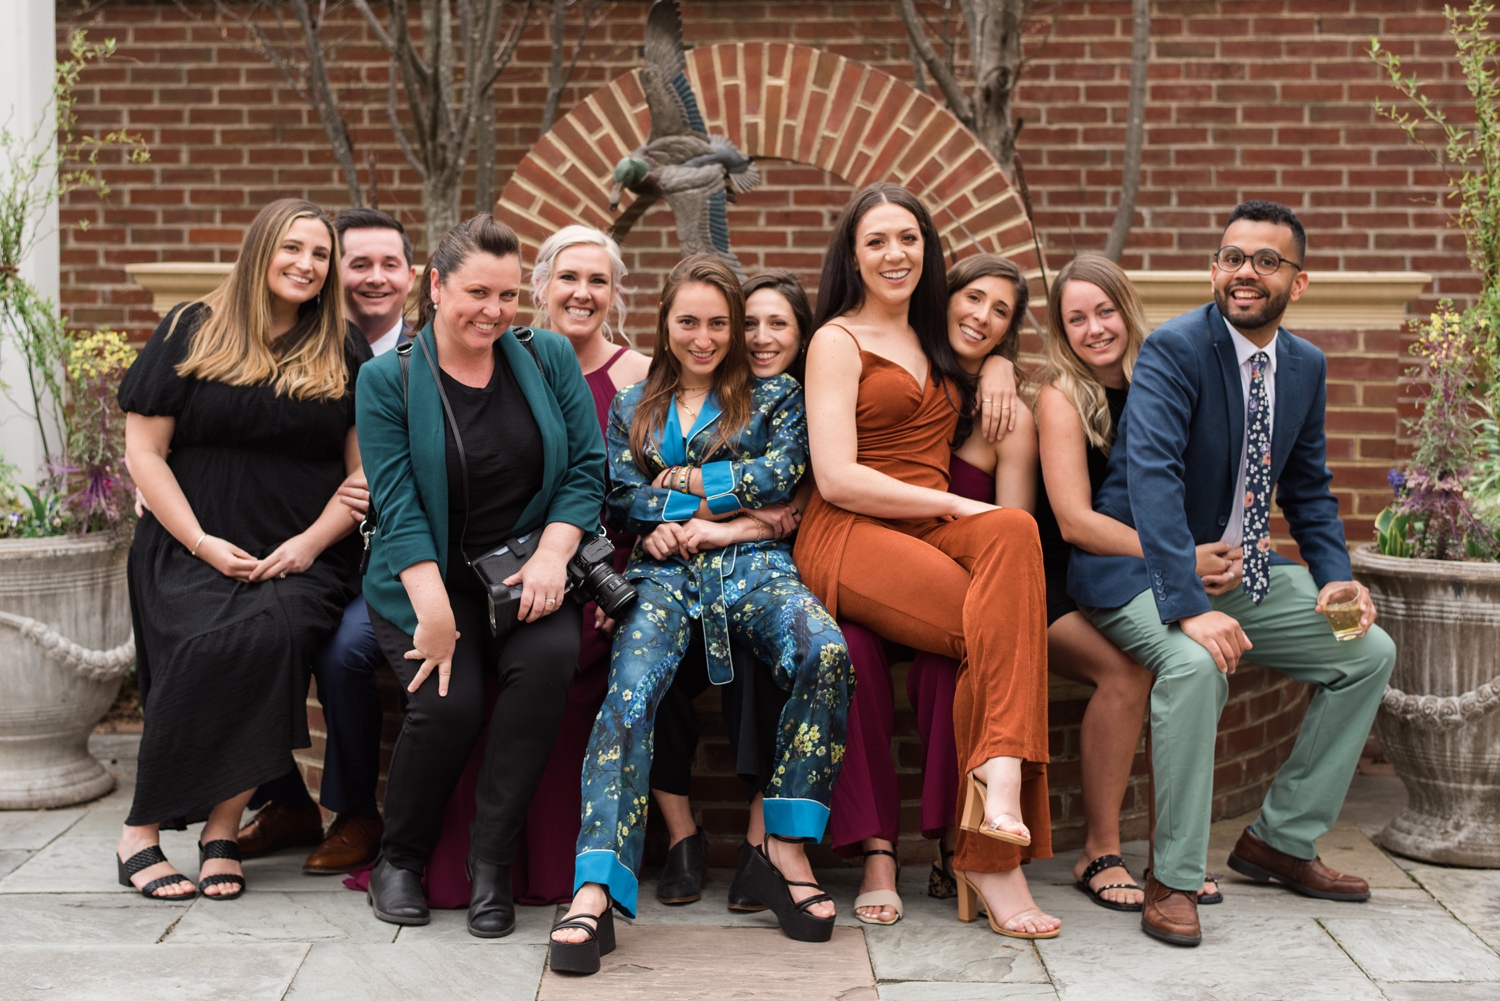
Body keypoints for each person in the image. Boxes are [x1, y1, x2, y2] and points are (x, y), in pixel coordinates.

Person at [1071, 200, 1398, 947]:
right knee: (1193, 664)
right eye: (1231, 257)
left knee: (1366, 650)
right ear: (1214, 269)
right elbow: (1151, 478)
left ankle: (1281, 838)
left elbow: (1309, 486)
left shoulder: (1306, 364)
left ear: (1299, 282)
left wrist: (1334, 576)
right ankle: (1175, 876)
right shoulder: (1175, 349)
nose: (1244, 271)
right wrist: (1185, 605)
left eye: (1265, 260)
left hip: (1243, 568)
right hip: (1142, 576)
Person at [550, 255, 851, 974]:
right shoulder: (633, 405)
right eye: (689, 321)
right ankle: (595, 888)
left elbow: (782, 473)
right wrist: (719, 504)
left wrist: (681, 483)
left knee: (826, 654)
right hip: (661, 575)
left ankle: (785, 846)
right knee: (626, 697)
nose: (705, 337)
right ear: (665, 323)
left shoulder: (776, 395)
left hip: (757, 573)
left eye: (719, 322)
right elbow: (620, 496)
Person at [795, 182, 1059, 939]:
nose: (894, 252)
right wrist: (957, 506)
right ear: (852, 253)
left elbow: (989, 341)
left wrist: (1003, 363)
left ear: (926, 249)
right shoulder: (836, 341)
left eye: (908, 238)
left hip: (922, 535)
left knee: (1015, 535)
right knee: (996, 622)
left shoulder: (937, 337)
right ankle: (990, 853)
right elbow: (838, 475)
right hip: (846, 531)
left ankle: (997, 774)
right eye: (876, 239)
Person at [357, 213, 607, 938]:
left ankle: (490, 863)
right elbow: (397, 502)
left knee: (550, 659)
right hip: (424, 575)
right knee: (448, 699)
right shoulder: (388, 378)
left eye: (506, 296)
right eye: (476, 293)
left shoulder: (549, 357)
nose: (493, 312)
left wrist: (554, 557)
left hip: (528, 564)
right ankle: (398, 858)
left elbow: (586, 470)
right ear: (435, 286)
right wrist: (434, 613)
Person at [115, 197, 367, 902]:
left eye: (320, 255)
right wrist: (199, 540)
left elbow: (362, 472)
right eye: (293, 248)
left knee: (274, 631)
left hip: (298, 555)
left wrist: (307, 545)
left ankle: (221, 828)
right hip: (186, 543)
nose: (306, 265)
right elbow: (145, 452)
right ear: (260, 250)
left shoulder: (342, 347)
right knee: (203, 640)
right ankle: (141, 829)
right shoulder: (190, 329)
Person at [239, 206, 418, 876]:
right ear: (333, 273)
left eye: (388, 264)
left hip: (395, 563)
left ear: (412, 275)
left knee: (341, 649)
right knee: (250, 626)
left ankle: (354, 811)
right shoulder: (293, 346)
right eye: (357, 263)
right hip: (309, 548)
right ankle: (285, 798)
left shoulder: (432, 355)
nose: (373, 277)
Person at [645, 269, 812, 909]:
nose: (762, 338)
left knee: (763, 670)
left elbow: (783, 482)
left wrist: (698, 496)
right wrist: (718, 517)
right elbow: (633, 489)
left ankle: (757, 839)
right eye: (751, 324)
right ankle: (683, 837)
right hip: (679, 570)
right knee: (655, 671)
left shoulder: (790, 397)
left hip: (766, 573)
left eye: (780, 325)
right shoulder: (671, 397)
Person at [515, 224, 650, 904]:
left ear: (615, 293)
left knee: (581, 665)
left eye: (598, 280)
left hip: (613, 571)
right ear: (540, 286)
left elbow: (653, 490)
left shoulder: (640, 375)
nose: (582, 291)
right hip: (520, 568)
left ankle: (577, 860)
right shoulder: (508, 361)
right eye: (569, 277)